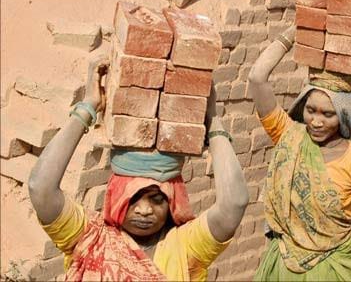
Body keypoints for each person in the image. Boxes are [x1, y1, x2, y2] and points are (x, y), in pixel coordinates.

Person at [28, 57, 249, 281]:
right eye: (133, 198)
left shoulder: (184, 248)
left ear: (173, 202)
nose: (144, 210)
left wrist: (212, 120)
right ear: (116, 197)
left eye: (157, 199)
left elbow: (234, 203)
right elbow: (40, 188)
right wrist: (88, 106)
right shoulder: (91, 238)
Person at [248, 26, 351, 281]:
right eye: (311, 110)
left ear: (343, 114)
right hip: (283, 265)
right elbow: (257, 78)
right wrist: (298, 29)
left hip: (334, 268)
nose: (316, 122)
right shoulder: (290, 136)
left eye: (327, 114)